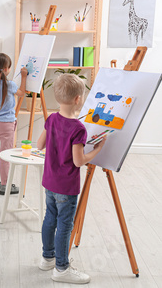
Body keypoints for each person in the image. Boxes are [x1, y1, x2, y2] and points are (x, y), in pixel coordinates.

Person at [36, 73, 106, 284]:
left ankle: (47, 258)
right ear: (78, 99)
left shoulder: (51, 119)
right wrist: (98, 150)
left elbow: (39, 145)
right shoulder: (78, 128)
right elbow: (78, 161)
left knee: (50, 219)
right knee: (64, 225)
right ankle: (61, 268)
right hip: (66, 187)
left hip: (50, 182)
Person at [0, 53, 27, 195]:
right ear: (6, 69)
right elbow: (21, 93)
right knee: (6, 154)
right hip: (7, 125)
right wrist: (24, 77)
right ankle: (5, 184)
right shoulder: (10, 85)